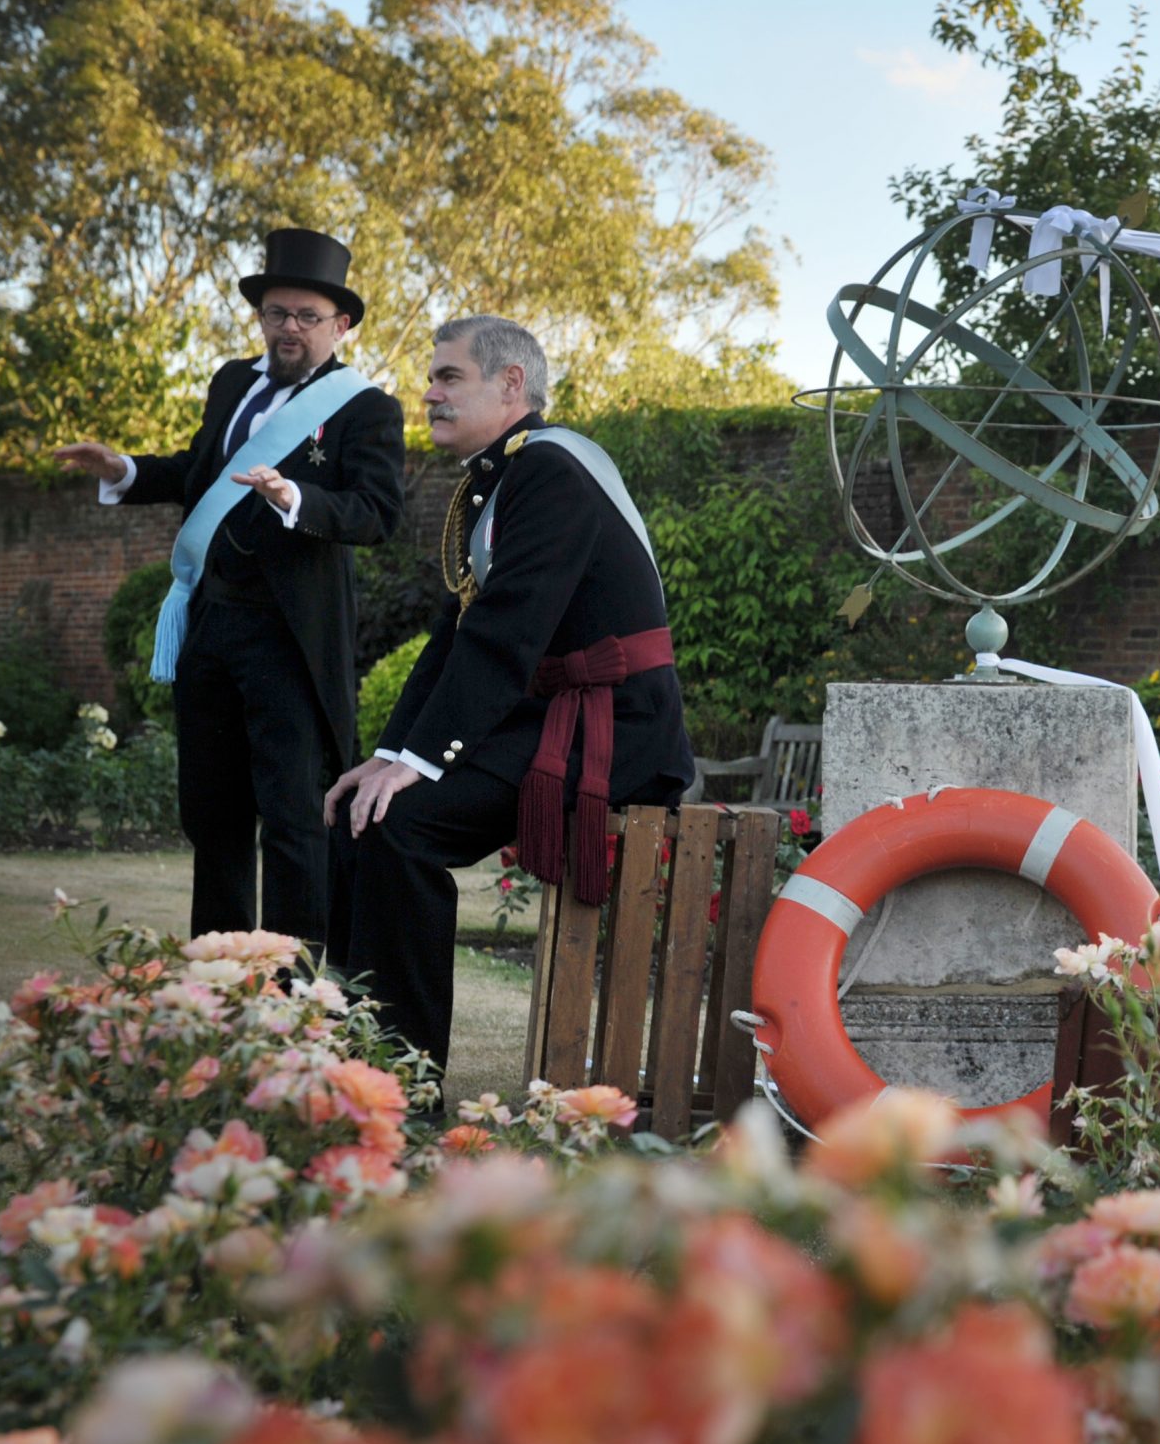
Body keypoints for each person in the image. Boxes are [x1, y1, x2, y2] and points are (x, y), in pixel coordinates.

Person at [325, 316, 693, 1071]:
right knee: (357, 814)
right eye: (432, 378)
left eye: (449, 377)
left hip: (620, 728)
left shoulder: (552, 470)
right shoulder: (501, 480)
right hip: (558, 716)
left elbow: (508, 630)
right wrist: (392, 755)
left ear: (512, 385)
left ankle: (401, 1085)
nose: (428, 393)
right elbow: (454, 635)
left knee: (403, 825)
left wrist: (422, 766)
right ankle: (349, 1055)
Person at [55, 229, 405, 953]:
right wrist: (121, 468)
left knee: (291, 818)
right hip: (212, 625)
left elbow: (377, 514)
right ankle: (213, 980)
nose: (288, 328)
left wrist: (293, 496)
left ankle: (288, 993)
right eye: (276, 313)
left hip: (290, 637)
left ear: (341, 326)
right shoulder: (229, 382)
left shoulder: (365, 408)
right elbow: (196, 472)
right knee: (211, 814)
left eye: (307, 316)